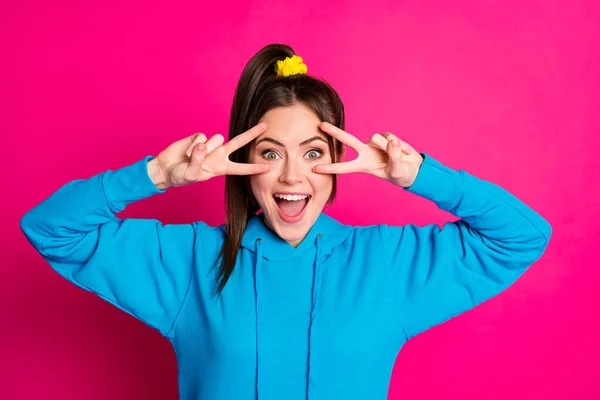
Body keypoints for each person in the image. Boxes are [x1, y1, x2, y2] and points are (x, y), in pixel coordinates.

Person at [20, 43, 552, 400]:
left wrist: (422, 177)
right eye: (271, 154)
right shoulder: (191, 264)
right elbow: (51, 229)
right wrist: (156, 175)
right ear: (246, 168)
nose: (292, 176)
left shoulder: (386, 267)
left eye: (314, 152)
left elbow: (522, 237)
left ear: (339, 161)